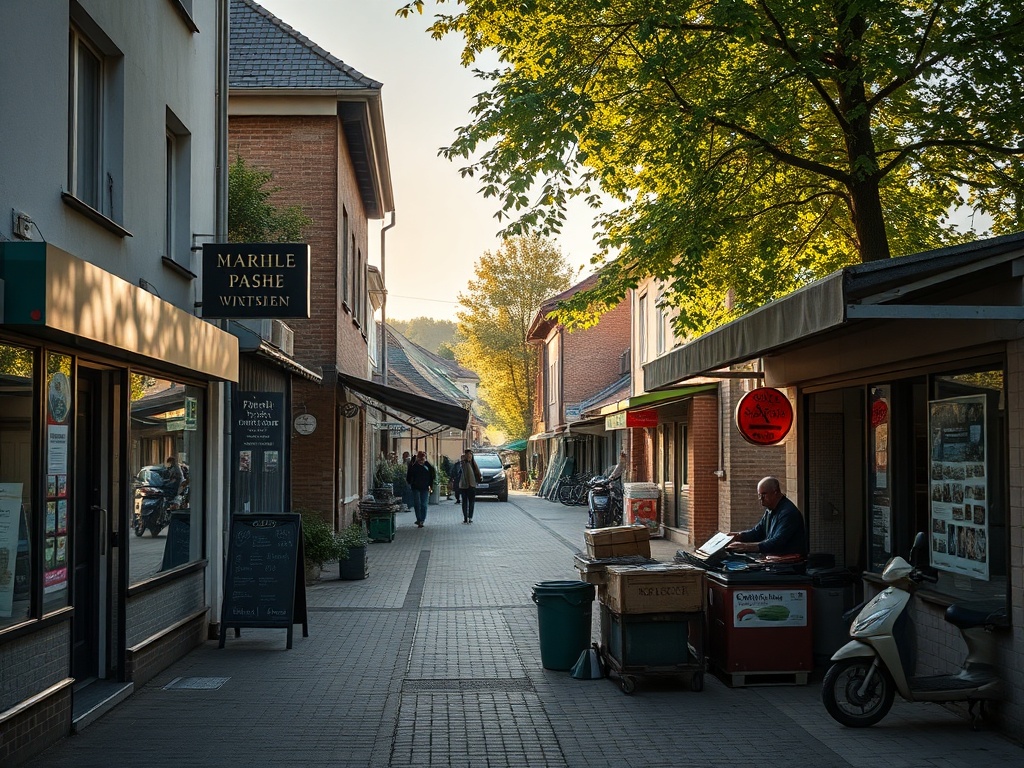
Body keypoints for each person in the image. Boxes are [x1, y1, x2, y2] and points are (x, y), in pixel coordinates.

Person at [727, 476, 807, 556]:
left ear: (775, 493)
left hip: (788, 564)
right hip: (774, 561)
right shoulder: (770, 509)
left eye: (764, 494)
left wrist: (747, 547)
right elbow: (758, 532)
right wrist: (738, 536)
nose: (760, 498)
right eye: (759, 495)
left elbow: (777, 543)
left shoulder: (788, 513)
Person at [406, 450, 436, 528]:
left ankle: (422, 520)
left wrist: (430, 486)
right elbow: (409, 474)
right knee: (417, 504)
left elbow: (433, 476)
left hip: (425, 487)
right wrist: (410, 483)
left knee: (424, 504)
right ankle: (419, 519)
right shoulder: (414, 466)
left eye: (423, 459)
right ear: (417, 458)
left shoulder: (427, 466)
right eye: (420, 459)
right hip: (415, 487)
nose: (422, 461)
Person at [456, 449, 484, 524]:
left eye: (470, 455)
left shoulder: (472, 463)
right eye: (468, 454)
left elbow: (477, 472)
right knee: (466, 502)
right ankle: (466, 517)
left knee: (469, 502)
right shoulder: (463, 463)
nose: (469, 456)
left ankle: (469, 517)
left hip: (470, 485)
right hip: (466, 485)